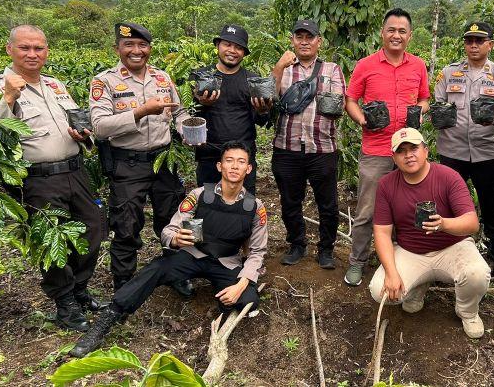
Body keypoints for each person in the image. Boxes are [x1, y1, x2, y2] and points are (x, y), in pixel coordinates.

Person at [69, 141, 267, 358]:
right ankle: (108, 319)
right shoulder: (200, 195)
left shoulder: (254, 207)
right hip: (193, 255)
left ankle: (224, 304)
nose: (234, 166)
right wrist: (175, 240)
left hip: (226, 261)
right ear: (220, 166)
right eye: (229, 161)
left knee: (248, 299)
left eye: (241, 162)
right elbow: (170, 229)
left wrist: (241, 283)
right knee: (154, 269)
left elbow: (257, 251)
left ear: (248, 169)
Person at [0, 25, 104, 332]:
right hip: (38, 179)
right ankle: (64, 303)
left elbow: (79, 122)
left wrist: (83, 135)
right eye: (25, 48)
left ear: (47, 51)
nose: (33, 54)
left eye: (39, 48)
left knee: (95, 228)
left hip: (75, 170)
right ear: (10, 50)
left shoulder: (55, 84)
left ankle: (79, 288)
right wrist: (8, 95)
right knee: (53, 240)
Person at [89, 22, 192, 296]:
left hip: (163, 161)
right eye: (129, 45)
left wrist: (187, 129)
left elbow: (179, 113)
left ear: (150, 48)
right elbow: (99, 127)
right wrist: (140, 112)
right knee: (126, 224)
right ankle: (124, 285)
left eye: (142, 45)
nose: (136, 51)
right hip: (127, 162)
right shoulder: (104, 81)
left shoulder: (162, 78)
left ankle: (175, 273)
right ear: (117, 49)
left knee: (172, 219)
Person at [368, 128, 491, 338]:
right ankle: (418, 286)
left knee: (476, 274)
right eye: (401, 151)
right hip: (411, 252)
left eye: (414, 148)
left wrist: (444, 224)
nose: (409, 155)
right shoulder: (387, 185)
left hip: (452, 248)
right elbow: (381, 232)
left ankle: (467, 311)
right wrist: (391, 272)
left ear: (426, 150)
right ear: (394, 157)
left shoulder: (448, 177)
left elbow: (471, 223)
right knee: (380, 290)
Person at [344, 8, 430, 286]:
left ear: (410, 36)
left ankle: (402, 260)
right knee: (367, 210)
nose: (396, 35)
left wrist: (419, 112)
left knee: (409, 209)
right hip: (376, 149)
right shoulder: (365, 65)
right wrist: (363, 121)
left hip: (409, 151)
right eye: (391, 30)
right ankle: (357, 260)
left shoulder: (418, 65)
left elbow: (425, 98)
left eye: (402, 31)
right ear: (382, 33)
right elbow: (351, 100)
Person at [434, 21, 494, 275]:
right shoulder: (449, 73)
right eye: (469, 41)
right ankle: (449, 248)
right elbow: (438, 103)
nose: (473, 45)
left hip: (487, 152)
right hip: (452, 151)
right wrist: (439, 116)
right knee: (448, 203)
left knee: (493, 203)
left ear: (490, 45)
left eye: (479, 41)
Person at [271, 19, 345, 269]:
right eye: (299, 36)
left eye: (309, 37)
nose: (304, 41)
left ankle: (326, 249)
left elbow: (338, 103)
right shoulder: (284, 69)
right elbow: (268, 98)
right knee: (290, 200)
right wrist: (279, 65)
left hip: (322, 147)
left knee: (328, 203)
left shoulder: (332, 69)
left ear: (318, 41)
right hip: (286, 146)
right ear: (292, 40)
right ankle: (297, 244)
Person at [191, 24, 271, 193]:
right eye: (227, 44)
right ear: (218, 46)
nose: (232, 50)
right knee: (208, 204)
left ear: (244, 53)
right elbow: (190, 115)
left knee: (244, 205)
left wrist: (263, 110)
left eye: (238, 47)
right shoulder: (200, 76)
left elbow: (261, 120)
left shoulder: (252, 80)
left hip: (242, 156)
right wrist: (201, 104)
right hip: (209, 155)